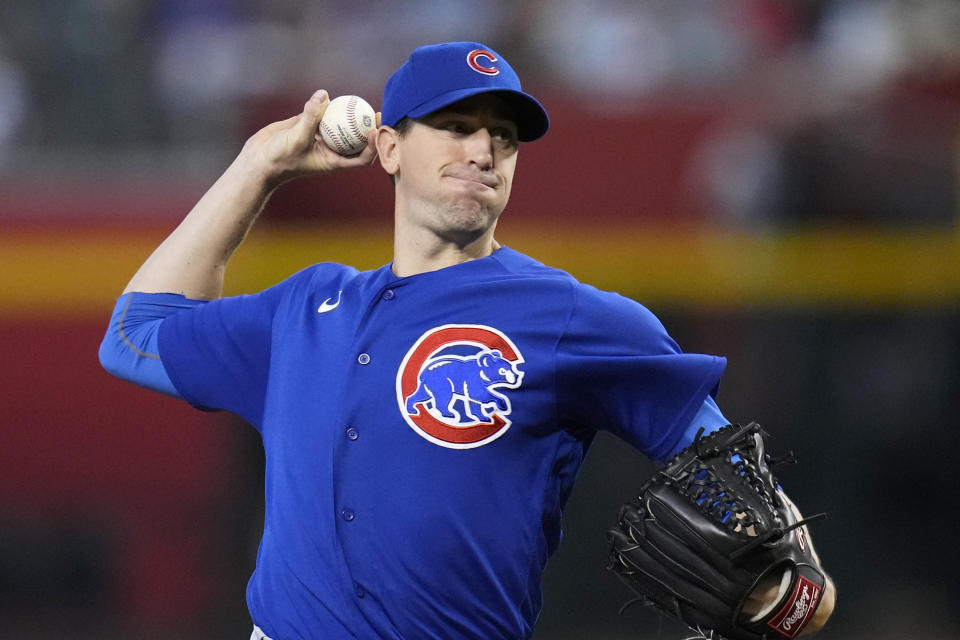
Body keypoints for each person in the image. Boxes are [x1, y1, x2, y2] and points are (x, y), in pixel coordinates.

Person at [100, 41, 834, 640]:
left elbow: (720, 455)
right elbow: (133, 335)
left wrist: (802, 581)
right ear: (387, 147)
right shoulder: (304, 308)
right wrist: (259, 168)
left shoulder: (568, 314)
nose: (485, 150)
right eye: (456, 126)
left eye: (504, 137)